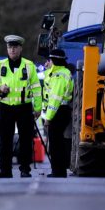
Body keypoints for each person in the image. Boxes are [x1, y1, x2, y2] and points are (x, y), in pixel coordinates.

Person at [0, 34, 42, 178]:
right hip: (6, 107)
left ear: (20, 48)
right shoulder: (0, 66)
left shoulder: (29, 65)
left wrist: (37, 108)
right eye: (9, 47)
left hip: (24, 107)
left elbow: (36, 88)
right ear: (7, 48)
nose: (12, 50)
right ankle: (5, 170)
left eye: (15, 47)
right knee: (6, 140)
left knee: (25, 140)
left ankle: (25, 169)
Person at [42, 49, 74, 178]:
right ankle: (59, 170)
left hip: (58, 112)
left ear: (53, 61)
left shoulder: (59, 76)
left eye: (48, 60)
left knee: (55, 144)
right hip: (62, 111)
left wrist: (48, 118)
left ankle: (58, 171)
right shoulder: (61, 73)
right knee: (57, 142)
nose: (46, 63)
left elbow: (55, 99)